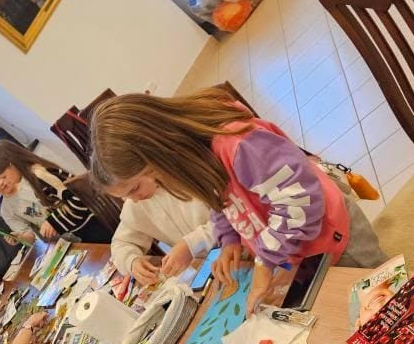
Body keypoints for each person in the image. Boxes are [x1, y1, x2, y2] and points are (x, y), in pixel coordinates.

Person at [89, 89, 386, 317]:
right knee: (348, 315)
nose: (136, 200)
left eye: (136, 187)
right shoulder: (192, 156)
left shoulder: (238, 145)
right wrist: (229, 238)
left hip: (334, 239)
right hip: (300, 252)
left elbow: (298, 203)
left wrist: (264, 263)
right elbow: (220, 200)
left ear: (156, 152)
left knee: (386, 301)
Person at [0, 141, 113, 244]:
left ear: (12, 164)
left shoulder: (40, 174)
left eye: (4, 176)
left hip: (98, 227)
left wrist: (52, 222)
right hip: (85, 231)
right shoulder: (32, 178)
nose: (5, 182)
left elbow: (79, 200)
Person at [109, 187, 216, 285]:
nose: (135, 200)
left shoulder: (189, 181)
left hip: (223, 251)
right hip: (204, 270)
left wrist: (191, 244)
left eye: (135, 188)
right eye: (125, 196)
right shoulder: (136, 202)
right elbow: (120, 243)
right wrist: (131, 261)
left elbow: (224, 220)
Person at [0, 159, 43, 244]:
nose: (0, 182)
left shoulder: (26, 176)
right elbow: (31, 237)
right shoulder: (6, 211)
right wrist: (21, 237)